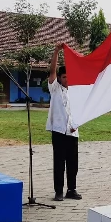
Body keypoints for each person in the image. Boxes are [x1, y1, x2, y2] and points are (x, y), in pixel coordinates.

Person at [46, 44, 82, 201]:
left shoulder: (75, 92)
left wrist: (76, 124)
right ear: (60, 78)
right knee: (59, 162)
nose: (67, 80)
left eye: (69, 77)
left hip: (73, 131)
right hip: (59, 131)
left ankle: (71, 189)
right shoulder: (54, 89)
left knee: (73, 163)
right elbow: (52, 71)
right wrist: (56, 52)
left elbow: (79, 111)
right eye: (64, 77)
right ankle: (58, 191)